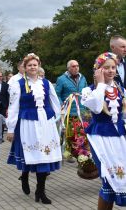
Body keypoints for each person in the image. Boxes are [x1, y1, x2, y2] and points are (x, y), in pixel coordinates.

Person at [7, 53, 62, 205]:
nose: (32, 67)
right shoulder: (17, 84)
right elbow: (13, 107)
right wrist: (11, 128)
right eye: (29, 65)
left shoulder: (46, 83)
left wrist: (57, 119)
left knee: (44, 154)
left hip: (45, 122)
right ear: (24, 68)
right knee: (32, 154)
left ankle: (40, 191)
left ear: (39, 66)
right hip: (28, 123)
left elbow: (54, 101)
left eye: (35, 65)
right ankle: (25, 175)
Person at [81, 52, 126, 209]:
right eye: (106, 67)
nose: (111, 71)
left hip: (120, 137)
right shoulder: (89, 90)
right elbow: (96, 106)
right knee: (108, 178)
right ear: (98, 70)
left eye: (113, 67)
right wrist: (100, 84)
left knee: (122, 177)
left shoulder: (120, 90)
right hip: (100, 138)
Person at [55, 60, 88, 162]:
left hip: (82, 111)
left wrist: (87, 105)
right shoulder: (61, 79)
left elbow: (86, 91)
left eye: (77, 66)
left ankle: (80, 153)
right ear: (68, 68)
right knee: (70, 133)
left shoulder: (82, 78)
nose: (76, 68)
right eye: (73, 66)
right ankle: (68, 152)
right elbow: (57, 94)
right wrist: (62, 106)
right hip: (69, 112)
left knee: (81, 134)